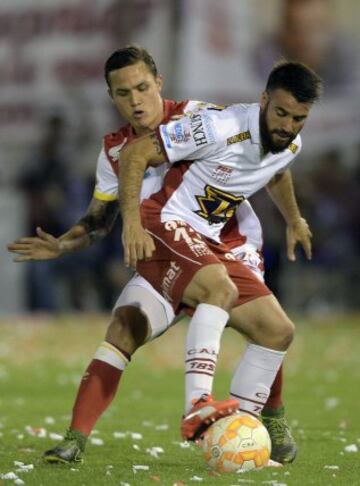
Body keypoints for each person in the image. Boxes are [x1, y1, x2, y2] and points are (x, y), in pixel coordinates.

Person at [7, 46, 305, 464]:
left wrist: (293, 217)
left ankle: (265, 418)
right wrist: (64, 243)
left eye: (143, 88)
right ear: (111, 97)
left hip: (222, 243)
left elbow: (268, 155)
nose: (135, 100)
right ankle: (75, 439)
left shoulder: (200, 117)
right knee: (124, 327)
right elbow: (97, 220)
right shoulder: (113, 151)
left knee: (273, 329)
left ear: (159, 83)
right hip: (159, 246)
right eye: (123, 93)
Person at [119, 59, 322, 441]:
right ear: (263, 100)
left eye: (299, 118)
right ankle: (197, 405)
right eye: (281, 113)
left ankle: (237, 435)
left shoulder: (289, 142)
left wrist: (294, 219)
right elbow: (134, 154)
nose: (288, 126)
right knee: (220, 288)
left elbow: (276, 169)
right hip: (165, 219)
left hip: (208, 239)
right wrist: (130, 223)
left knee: (278, 331)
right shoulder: (218, 126)